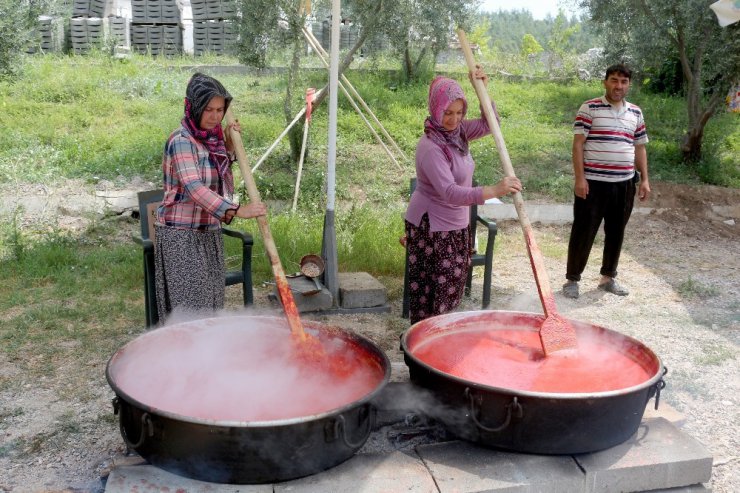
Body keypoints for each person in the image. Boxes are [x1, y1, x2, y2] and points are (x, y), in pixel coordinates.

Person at [404, 67, 522, 325]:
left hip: (456, 224)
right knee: (431, 297)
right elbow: (449, 192)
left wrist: (481, 89)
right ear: (435, 109)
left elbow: (490, 123)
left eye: (459, 113)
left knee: (450, 293)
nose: (454, 119)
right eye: (447, 113)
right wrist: (494, 190)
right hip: (432, 226)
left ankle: (437, 345)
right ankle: (422, 348)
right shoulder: (431, 147)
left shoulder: (458, 134)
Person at [154, 72, 267, 323]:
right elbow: (195, 188)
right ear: (193, 107)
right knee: (192, 310)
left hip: (208, 233)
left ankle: (206, 358)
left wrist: (227, 144)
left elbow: (217, 175)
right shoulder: (181, 141)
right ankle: (185, 359)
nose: (215, 116)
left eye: (219, 110)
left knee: (212, 305)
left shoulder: (212, 141)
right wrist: (237, 210)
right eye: (208, 110)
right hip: (181, 237)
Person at [562, 64, 651, 299]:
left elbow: (639, 147)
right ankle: (572, 280)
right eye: (613, 80)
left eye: (623, 82)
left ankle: (608, 277)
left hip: (624, 184)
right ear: (605, 82)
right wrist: (580, 178)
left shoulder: (635, 113)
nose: (618, 86)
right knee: (583, 230)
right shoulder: (590, 108)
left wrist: (644, 180)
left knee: (616, 231)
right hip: (593, 183)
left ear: (629, 85)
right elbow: (578, 144)